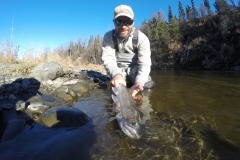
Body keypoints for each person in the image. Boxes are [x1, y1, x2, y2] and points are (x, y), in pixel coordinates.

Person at [102, 4, 154, 97]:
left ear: (133, 22)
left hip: (135, 71)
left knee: (147, 86)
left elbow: (144, 64)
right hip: (118, 70)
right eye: (119, 22)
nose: (123, 26)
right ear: (114, 22)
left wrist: (140, 82)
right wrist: (116, 74)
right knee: (115, 91)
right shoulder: (108, 37)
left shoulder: (142, 38)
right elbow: (108, 59)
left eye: (127, 22)